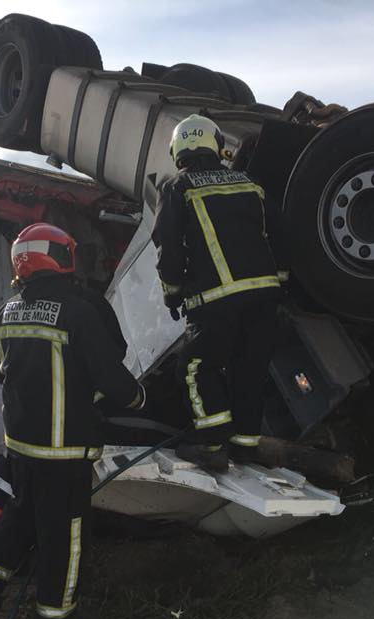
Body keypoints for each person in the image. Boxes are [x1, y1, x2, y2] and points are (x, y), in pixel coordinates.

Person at [0, 223, 145, 619]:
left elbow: (2, 372)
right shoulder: (78, 312)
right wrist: (137, 397)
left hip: (21, 446)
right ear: (60, 257)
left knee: (20, 512)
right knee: (64, 534)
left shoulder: (4, 313)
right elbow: (109, 375)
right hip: (64, 450)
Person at [151, 113, 287, 472]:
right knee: (249, 369)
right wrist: (280, 281)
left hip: (215, 301)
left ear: (177, 151)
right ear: (216, 145)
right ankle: (245, 446)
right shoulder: (250, 183)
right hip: (265, 298)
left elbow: (167, 245)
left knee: (195, 366)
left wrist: (172, 293)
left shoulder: (177, 187)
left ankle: (211, 446)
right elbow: (279, 233)